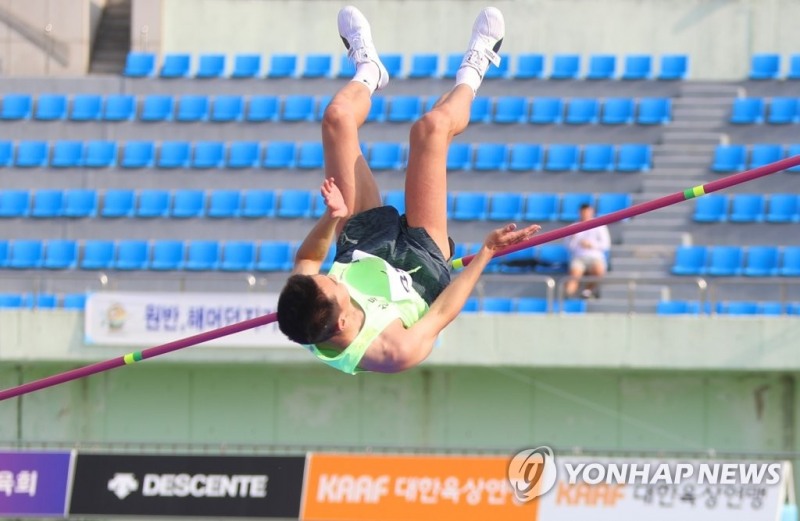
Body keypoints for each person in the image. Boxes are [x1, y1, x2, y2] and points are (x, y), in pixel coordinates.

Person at [276, 5, 540, 374]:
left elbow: (305, 259)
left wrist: (331, 216)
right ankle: (475, 67)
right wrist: (486, 253)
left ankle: (369, 72)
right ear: (341, 323)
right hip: (422, 264)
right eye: (333, 285)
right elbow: (444, 311)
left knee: (337, 119)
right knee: (429, 129)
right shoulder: (393, 351)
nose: (327, 275)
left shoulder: (304, 300)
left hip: (361, 245)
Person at [564, 203, 610, 299]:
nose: (586, 214)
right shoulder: (574, 227)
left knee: (599, 271)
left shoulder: (599, 225)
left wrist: (591, 245)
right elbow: (568, 246)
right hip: (579, 257)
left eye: (588, 212)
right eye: (584, 212)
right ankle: (567, 300)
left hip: (595, 257)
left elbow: (606, 245)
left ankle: (587, 291)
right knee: (574, 277)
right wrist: (573, 238)